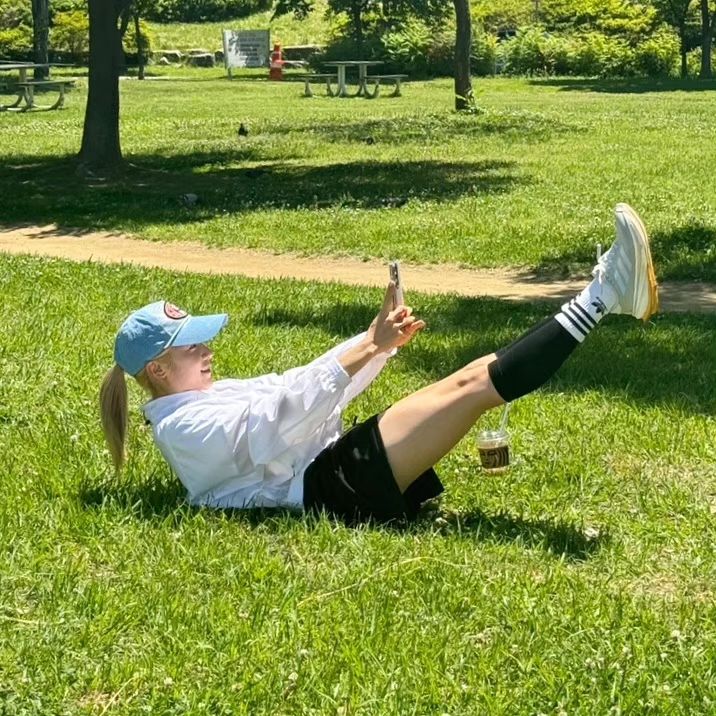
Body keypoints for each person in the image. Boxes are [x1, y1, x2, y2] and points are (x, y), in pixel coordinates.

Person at [100, 203, 659, 522]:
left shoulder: (205, 399)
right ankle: (605, 294)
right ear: (157, 370)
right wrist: (369, 347)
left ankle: (605, 294)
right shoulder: (183, 430)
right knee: (472, 386)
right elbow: (279, 419)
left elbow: (296, 384)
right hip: (328, 490)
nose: (207, 351)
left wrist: (374, 342)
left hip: (333, 471)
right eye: (192, 347)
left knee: (470, 380)